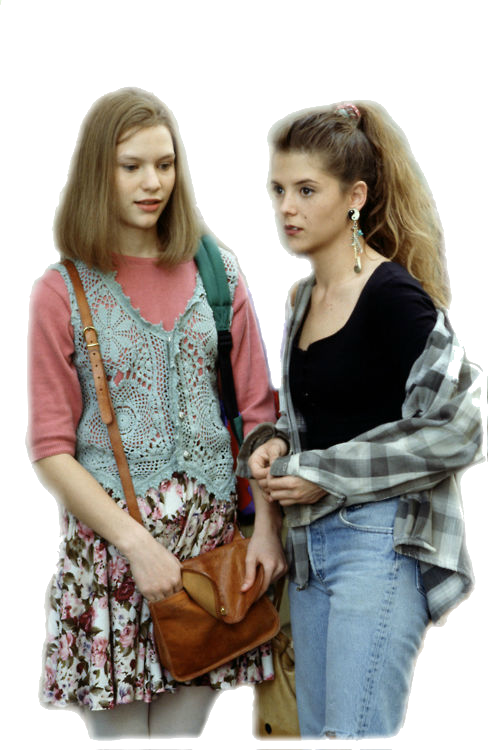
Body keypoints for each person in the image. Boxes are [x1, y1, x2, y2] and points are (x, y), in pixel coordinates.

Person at [27, 87, 287, 741]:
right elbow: (51, 447)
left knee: (180, 738)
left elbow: (259, 413)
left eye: (165, 165)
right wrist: (137, 546)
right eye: (132, 166)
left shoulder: (219, 273)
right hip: (114, 564)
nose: (153, 183)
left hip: (210, 565)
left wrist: (267, 530)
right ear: (98, 172)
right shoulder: (61, 290)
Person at [237, 101, 483, 740]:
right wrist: (273, 444)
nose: (287, 208)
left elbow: (461, 426)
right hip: (310, 552)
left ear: (355, 197)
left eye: (306, 190)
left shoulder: (395, 296)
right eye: (278, 190)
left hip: (379, 545)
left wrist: (323, 472)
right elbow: (321, 417)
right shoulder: (300, 298)